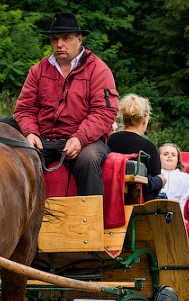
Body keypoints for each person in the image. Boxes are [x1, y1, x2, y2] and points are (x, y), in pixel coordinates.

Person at [14, 12, 118, 196]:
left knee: (89, 158)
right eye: (54, 39)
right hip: (43, 139)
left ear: (79, 39)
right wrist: (30, 133)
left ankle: (90, 221)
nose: (59, 44)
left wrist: (79, 138)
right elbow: (25, 109)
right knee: (13, 150)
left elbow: (104, 112)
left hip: (86, 140)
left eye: (66, 38)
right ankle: (14, 218)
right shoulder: (38, 70)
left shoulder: (99, 70)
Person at [105, 93, 164, 200]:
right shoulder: (149, 147)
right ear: (145, 119)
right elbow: (156, 189)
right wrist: (160, 181)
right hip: (141, 207)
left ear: (123, 117)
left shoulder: (108, 141)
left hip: (111, 200)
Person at [158, 142, 189, 211]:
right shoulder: (154, 175)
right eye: (165, 154)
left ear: (177, 160)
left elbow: (184, 200)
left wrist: (181, 218)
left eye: (173, 155)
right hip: (155, 210)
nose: (169, 156)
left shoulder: (185, 177)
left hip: (176, 212)